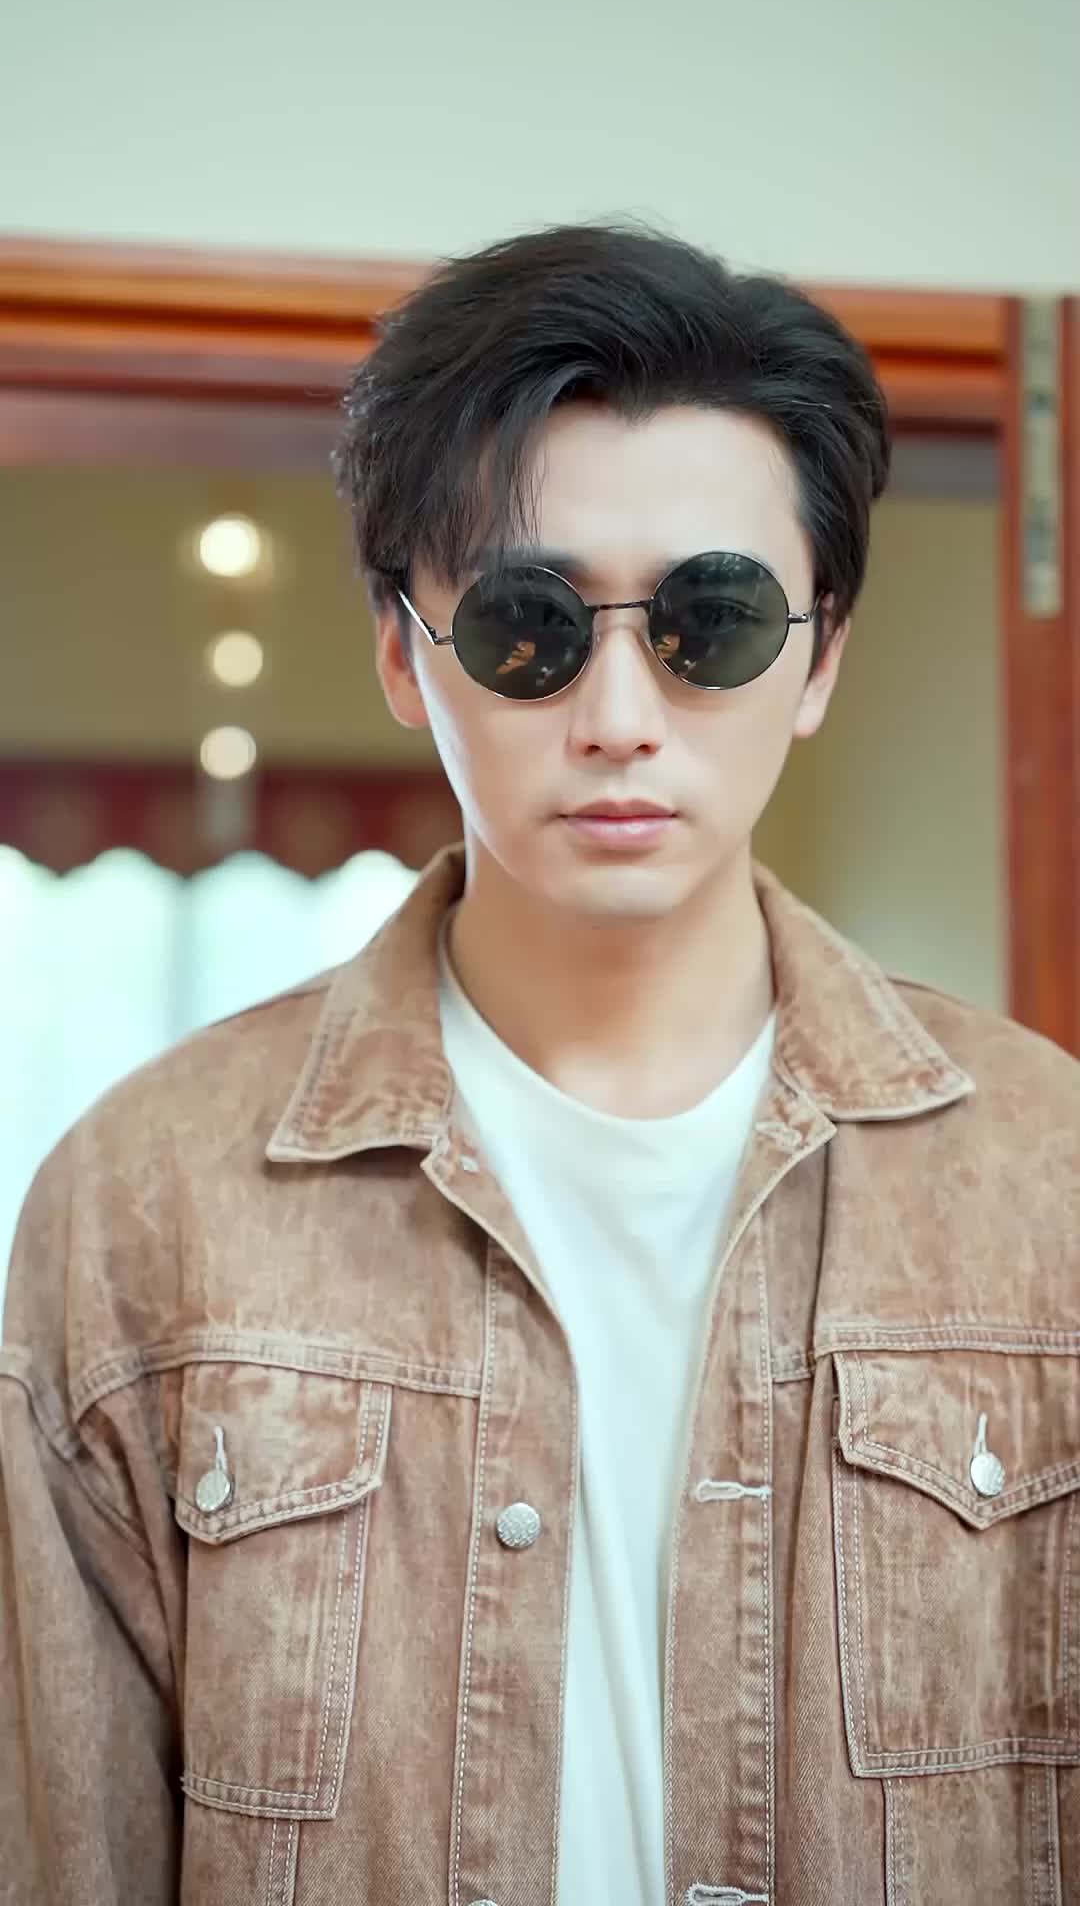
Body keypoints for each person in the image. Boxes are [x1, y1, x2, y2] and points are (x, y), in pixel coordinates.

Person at [1, 222, 1077, 1906]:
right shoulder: (142, 1209)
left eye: (714, 621)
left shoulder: (1049, 1183)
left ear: (820, 656)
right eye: (530, 624)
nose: (621, 713)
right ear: (401, 649)